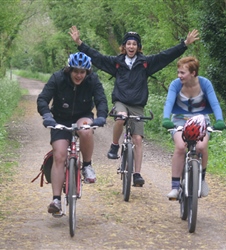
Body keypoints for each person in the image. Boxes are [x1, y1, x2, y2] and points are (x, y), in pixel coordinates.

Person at [69, 25, 199, 187]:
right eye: (128, 44)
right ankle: (115, 145)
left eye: (134, 44)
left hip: (138, 105)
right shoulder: (117, 63)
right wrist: (80, 43)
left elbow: (165, 56)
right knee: (120, 118)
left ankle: (137, 173)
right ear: (124, 46)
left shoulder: (146, 63)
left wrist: (184, 44)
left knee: (137, 139)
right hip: (121, 102)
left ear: (138, 47)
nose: (131, 46)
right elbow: (98, 57)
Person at [37, 52, 108, 214]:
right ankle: (56, 200)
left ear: (87, 72)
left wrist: (102, 116)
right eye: (75, 71)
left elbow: (101, 100)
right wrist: (47, 116)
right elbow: (42, 99)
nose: (78, 75)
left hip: (82, 116)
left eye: (82, 72)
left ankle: (87, 166)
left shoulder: (92, 80)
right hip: (60, 119)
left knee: (86, 130)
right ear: (69, 70)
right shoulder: (57, 78)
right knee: (60, 155)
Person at [162, 56, 226, 199]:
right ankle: (175, 187)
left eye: (182, 73)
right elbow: (169, 102)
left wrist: (220, 120)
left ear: (193, 73)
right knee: (180, 147)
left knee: (201, 147)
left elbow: (215, 103)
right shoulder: (175, 85)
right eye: (178, 72)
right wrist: (166, 118)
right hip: (179, 120)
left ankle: (201, 180)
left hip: (201, 121)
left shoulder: (205, 84)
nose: (179, 76)